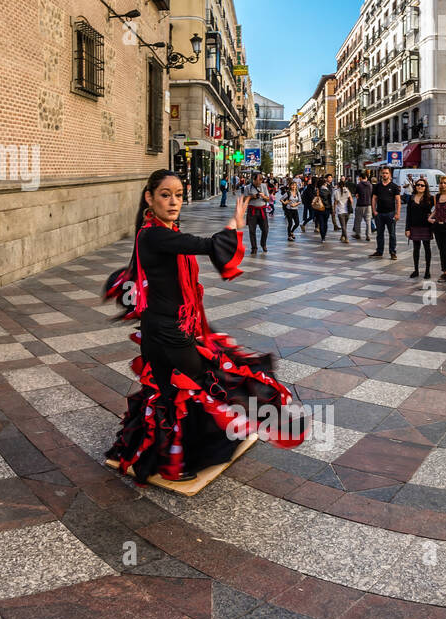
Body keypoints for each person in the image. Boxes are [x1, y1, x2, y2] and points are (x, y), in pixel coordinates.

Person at [97, 170, 299, 488]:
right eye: (165, 194)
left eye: (178, 194)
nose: (174, 200)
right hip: (170, 333)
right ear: (149, 198)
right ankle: (179, 458)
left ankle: (169, 462)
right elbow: (203, 245)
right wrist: (235, 226)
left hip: (160, 330)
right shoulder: (154, 235)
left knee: (166, 393)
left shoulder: (156, 231)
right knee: (207, 382)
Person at [370, 175, 398, 260]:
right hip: (379, 214)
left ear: (389, 175)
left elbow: (398, 200)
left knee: (392, 234)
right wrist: (374, 210)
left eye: (386, 173)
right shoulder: (377, 186)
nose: (385, 174)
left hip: (391, 214)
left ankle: (392, 252)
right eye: (383, 173)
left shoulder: (394, 186)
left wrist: (397, 213)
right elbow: (374, 198)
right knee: (379, 234)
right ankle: (379, 251)